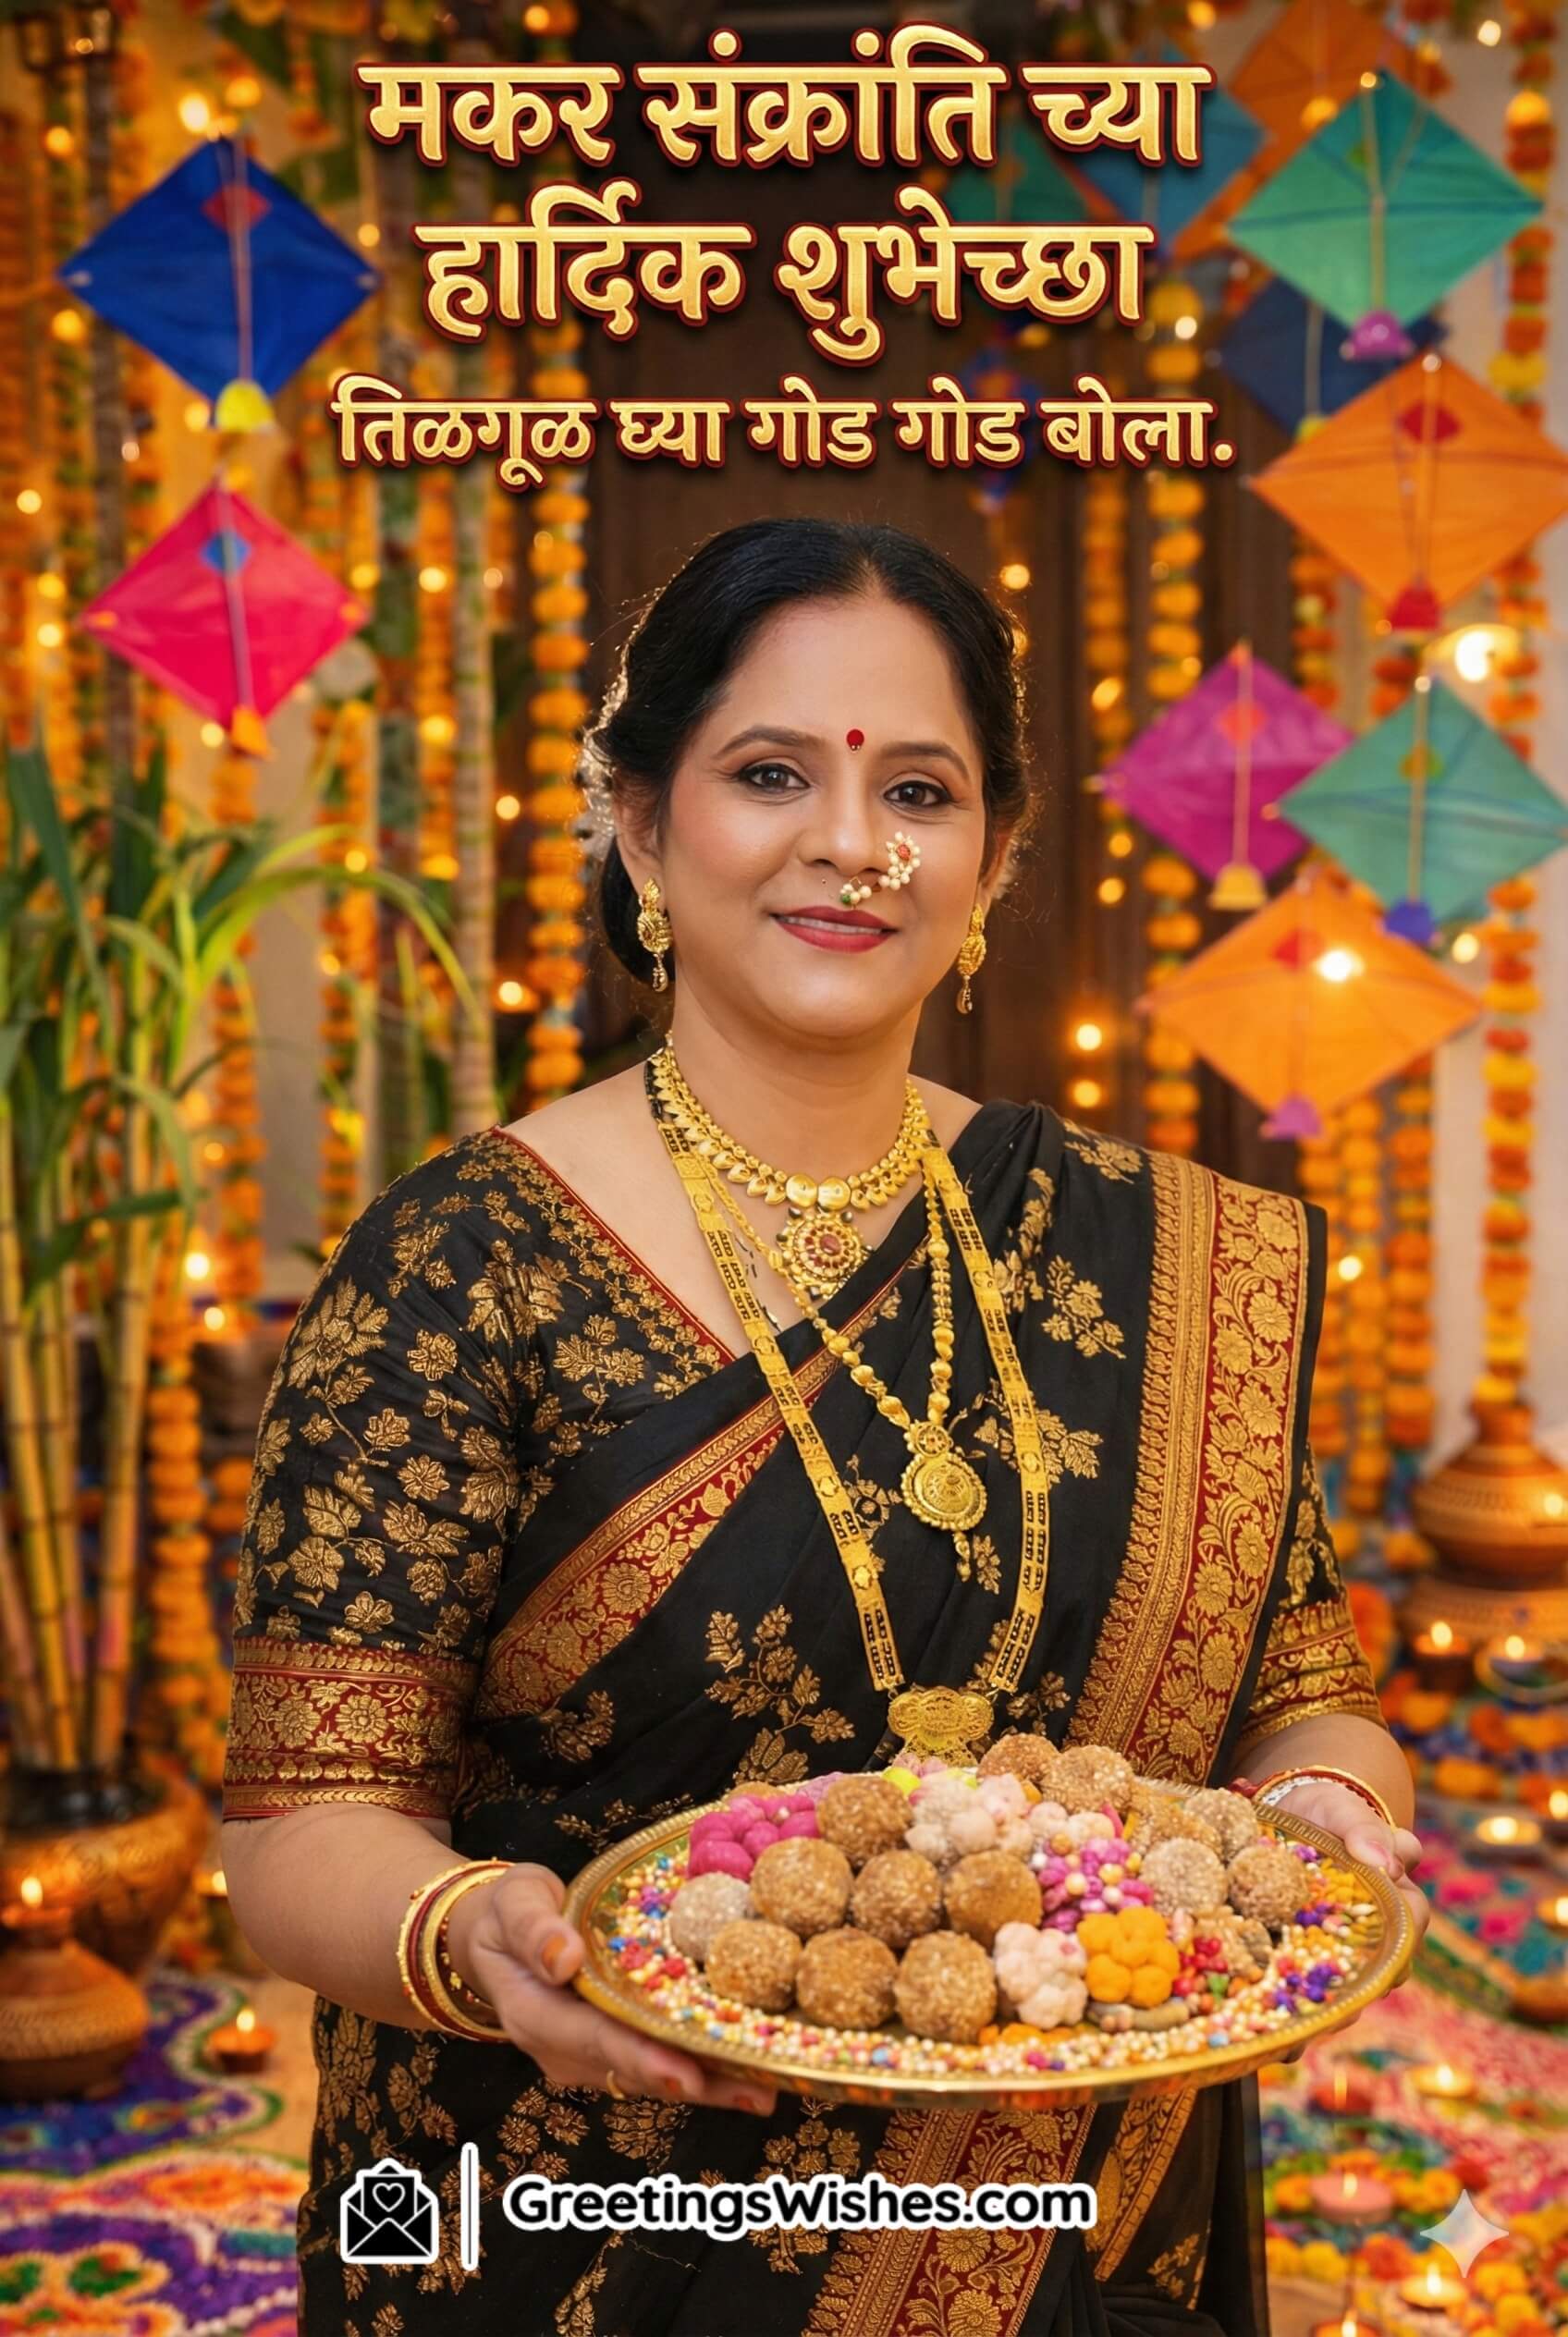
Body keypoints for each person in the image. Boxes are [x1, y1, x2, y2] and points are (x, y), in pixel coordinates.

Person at [221, 517, 1428, 2337]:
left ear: (990, 854)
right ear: (638, 824)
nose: (851, 847)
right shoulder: (456, 1268)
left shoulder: (1149, 1252)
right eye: (768, 772)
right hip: (587, 2225)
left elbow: (1300, 1684)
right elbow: (305, 1824)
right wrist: (476, 1934)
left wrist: (1321, 1820)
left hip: (1065, 2236)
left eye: (919, 791)